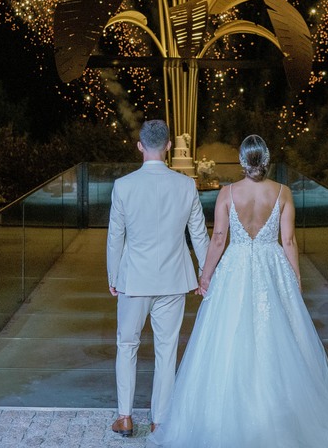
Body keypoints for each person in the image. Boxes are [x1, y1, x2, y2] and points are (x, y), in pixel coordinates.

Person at [148, 135, 328, 448]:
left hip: (235, 268)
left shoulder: (228, 193)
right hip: (272, 267)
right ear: (266, 160)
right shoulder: (282, 192)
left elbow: (218, 240)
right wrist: (294, 277)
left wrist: (205, 275)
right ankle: (281, 414)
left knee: (228, 337)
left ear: (242, 161)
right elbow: (290, 241)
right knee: (280, 337)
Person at [107, 119, 211, 437]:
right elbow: (199, 235)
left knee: (127, 345)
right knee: (167, 349)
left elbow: (116, 237)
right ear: (168, 147)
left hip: (134, 280)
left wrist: (113, 275)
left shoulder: (123, 186)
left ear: (140, 146)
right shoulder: (185, 185)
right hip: (173, 279)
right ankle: (159, 419)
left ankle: (125, 417)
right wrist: (204, 275)